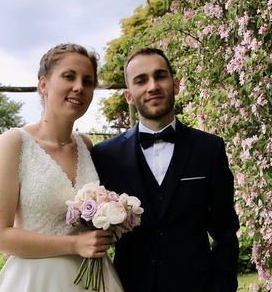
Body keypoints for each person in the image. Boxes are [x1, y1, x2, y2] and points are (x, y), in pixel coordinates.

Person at [91, 47, 240, 292]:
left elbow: (225, 232)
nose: (152, 86)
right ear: (129, 95)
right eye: (141, 80)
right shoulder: (105, 155)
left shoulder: (209, 149)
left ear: (175, 83)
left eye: (160, 76)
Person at [0, 43, 124, 291]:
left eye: (88, 81)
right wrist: (73, 245)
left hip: (94, 279)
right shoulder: (15, 143)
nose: (79, 87)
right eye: (69, 76)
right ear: (44, 84)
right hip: (37, 281)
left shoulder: (86, 146)